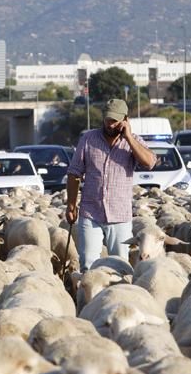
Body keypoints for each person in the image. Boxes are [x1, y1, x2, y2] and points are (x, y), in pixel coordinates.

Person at [65, 99, 156, 271]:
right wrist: (71, 205)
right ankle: (89, 297)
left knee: (121, 265)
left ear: (125, 120)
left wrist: (128, 137)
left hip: (119, 214)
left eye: (115, 121)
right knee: (87, 264)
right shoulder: (88, 139)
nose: (110, 124)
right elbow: (74, 172)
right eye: (108, 120)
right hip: (91, 211)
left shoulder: (134, 142)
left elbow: (149, 162)